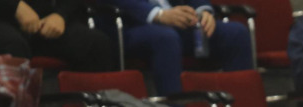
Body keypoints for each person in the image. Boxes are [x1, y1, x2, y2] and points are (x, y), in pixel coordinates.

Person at [100, 0, 253, 95]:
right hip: (130, 25)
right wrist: (157, 14)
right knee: (166, 38)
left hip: (176, 22)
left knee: (235, 33)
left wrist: (202, 10)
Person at [0, 0, 115, 73]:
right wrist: (15, 6)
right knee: (11, 45)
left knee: (95, 44)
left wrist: (61, 15)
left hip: (44, 20)